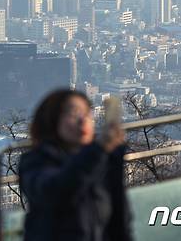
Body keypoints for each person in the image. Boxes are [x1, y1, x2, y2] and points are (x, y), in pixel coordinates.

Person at [18, 89, 132, 241]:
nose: (82, 120)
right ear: (52, 120)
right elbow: (57, 190)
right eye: (73, 113)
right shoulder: (35, 161)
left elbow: (118, 220)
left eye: (87, 113)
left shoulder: (102, 161)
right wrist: (98, 150)